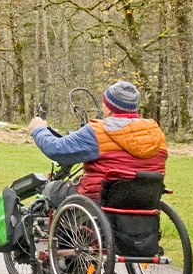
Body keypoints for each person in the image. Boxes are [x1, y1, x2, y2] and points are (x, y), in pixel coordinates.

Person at [26, 80, 167, 206]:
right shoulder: (156, 133)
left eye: (104, 104)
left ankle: (65, 234)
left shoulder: (98, 131)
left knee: (52, 189)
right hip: (144, 201)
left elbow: (56, 149)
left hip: (98, 199)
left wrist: (38, 129)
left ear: (110, 108)